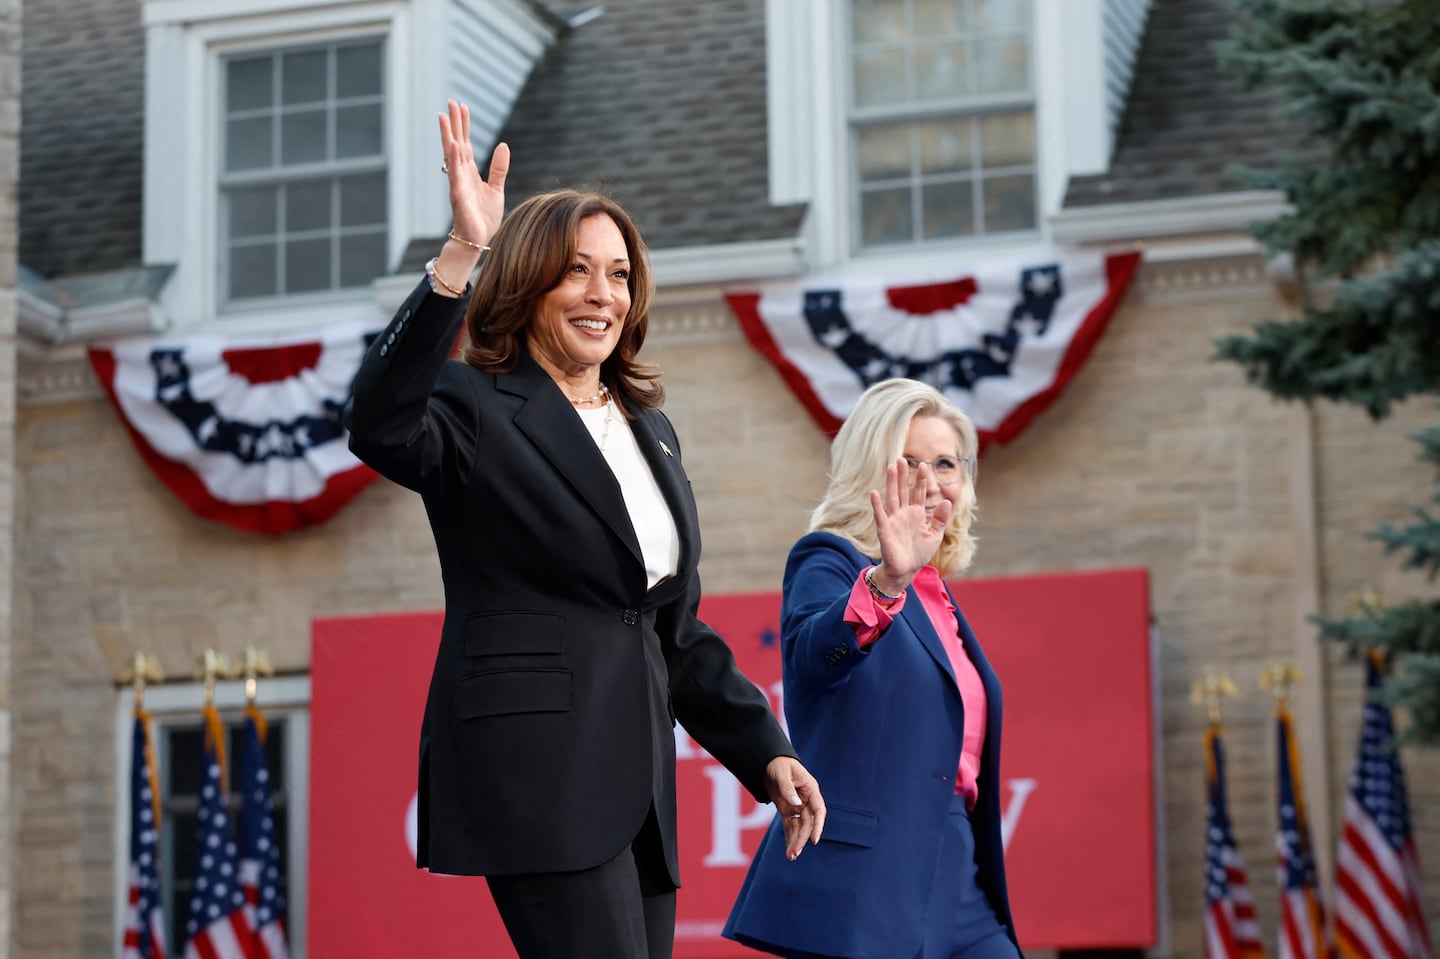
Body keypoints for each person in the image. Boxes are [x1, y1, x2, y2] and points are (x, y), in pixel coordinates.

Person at [344, 100, 826, 959]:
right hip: (537, 771)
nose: (604, 295)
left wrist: (765, 750)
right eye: (577, 271)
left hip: (638, 788)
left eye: (620, 274)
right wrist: (462, 254)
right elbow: (378, 422)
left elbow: (672, 628)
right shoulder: (473, 406)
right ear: (527, 282)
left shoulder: (651, 428)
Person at [723, 378, 1021, 959]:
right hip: (865, 885)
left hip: (959, 876)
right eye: (909, 462)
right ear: (872, 469)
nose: (931, 481)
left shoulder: (941, 596)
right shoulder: (829, 558)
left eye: (946, 463)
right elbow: (812, 660)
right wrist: (886, 583)